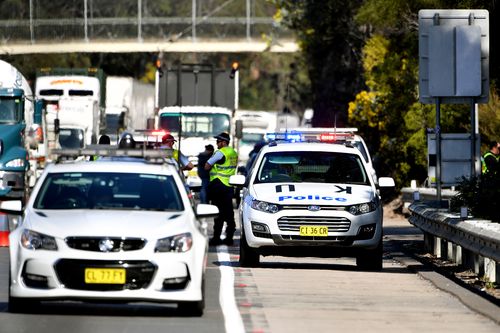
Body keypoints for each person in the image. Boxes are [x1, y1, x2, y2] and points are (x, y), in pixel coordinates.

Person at [204, 132, 238, 246]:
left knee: (218, 212)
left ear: (224, 142)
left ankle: (216, 238)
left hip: (218, 185)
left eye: (218, 141)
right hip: (229, 185)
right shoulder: (233, 152)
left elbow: (207, 166)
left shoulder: (220, 152)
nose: (217, 143)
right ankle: (229, 238)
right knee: (229, 213)